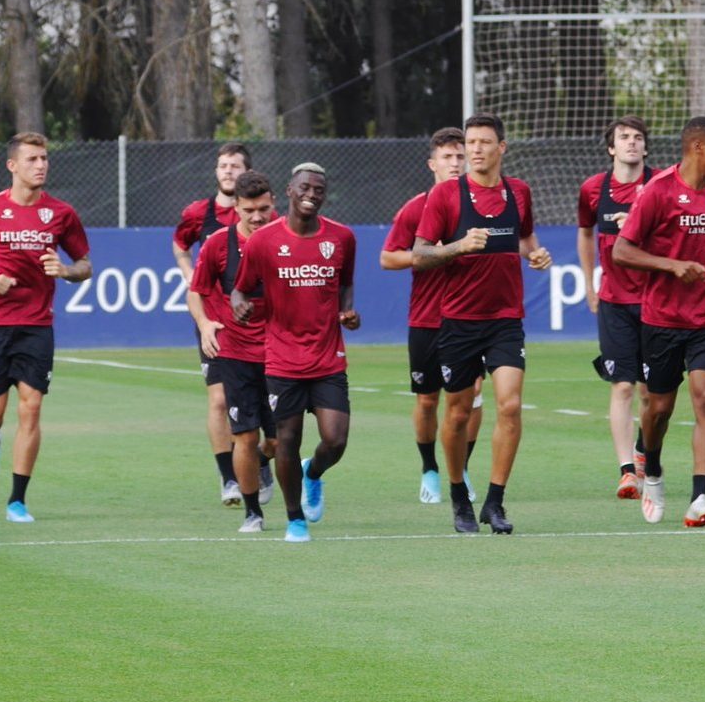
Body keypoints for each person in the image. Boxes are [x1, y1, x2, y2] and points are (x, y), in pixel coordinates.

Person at [412, 113, 553, 534]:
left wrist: (536, 254)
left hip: (506, 319)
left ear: (501, 148)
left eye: (484, 142)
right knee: (456, 416)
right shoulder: (445, 197)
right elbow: (419, 254)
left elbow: (526, 237)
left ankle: (495, 501)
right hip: (457, 321)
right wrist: (457, 246)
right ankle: (457, 493)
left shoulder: (520, 193)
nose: (474, 150)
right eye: (470, 142)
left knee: (509, 404)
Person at [0, 133, 93, 522]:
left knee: (31, 409)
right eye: (32, 159)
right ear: (12, 165)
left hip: (37, 325)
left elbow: (85, 264)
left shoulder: (61, 213)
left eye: (44, 158)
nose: (41, 165)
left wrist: (65, 270)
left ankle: (17, 500)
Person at [614, 117, 705, 527]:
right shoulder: (658, 191)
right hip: (662, 319)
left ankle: (700, 498)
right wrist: (671, 266)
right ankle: (651, 470)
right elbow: (622, 251)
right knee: (658, 408)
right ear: (698, 149)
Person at [231, 165, 359, 543]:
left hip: (327, 356)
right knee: (286, 439)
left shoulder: (342, 237)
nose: (312, 194)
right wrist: (239, 305)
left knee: (335, 440)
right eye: (305, 187)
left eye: (319, 189)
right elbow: (241, 289)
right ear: (289, 190)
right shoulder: (263, 241)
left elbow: (346, 283)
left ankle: (313, 473)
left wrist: (347, 311)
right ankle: (295, 519)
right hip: (283, 359)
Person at [382, 128, 485, 505]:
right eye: (447, 157)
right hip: (427, 320)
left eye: (460, 156)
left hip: (471, 319)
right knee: (428, 401)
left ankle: (463, 469)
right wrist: (431, 254)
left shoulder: (481, 203)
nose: (455, 163)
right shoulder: (417, 207)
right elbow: (388, 257)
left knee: (472, 397)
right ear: (432, 164)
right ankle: (429, 468)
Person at [191, 173, 281, 531]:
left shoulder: (286, 238)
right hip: (235, 352)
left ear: (273, 201)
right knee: (244, 434)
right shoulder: (217, 244)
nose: (257, 217)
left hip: (279, 353)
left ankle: (263, 461)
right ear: (237, 208)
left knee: (274, 441)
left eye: (263, 209)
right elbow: (196, 291)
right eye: (249, 211)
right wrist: (204, 324)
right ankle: (252, 513)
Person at [172, 142, 259, 504]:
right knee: (219, 399)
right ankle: (229, 479)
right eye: (223, 166)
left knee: (263, 402)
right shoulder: (199, 213)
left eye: (235, 166)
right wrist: (191, 277)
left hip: (255, 322)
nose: (227, 171)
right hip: (214, 320)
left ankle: (258, 462)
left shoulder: (258, 214)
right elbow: (180, 244)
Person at [577, 117, 652, 500]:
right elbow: (586, 233)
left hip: (656, 302)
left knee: (653, 392)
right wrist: (591, 282)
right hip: (615, 301)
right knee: (623, 384)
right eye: (624, 137)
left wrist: (637, 225)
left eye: (638, 138)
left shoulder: (659, 187)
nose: (632, 143)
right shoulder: (593, 189)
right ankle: (627, 471)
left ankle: (643, 451)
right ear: (611, 148)